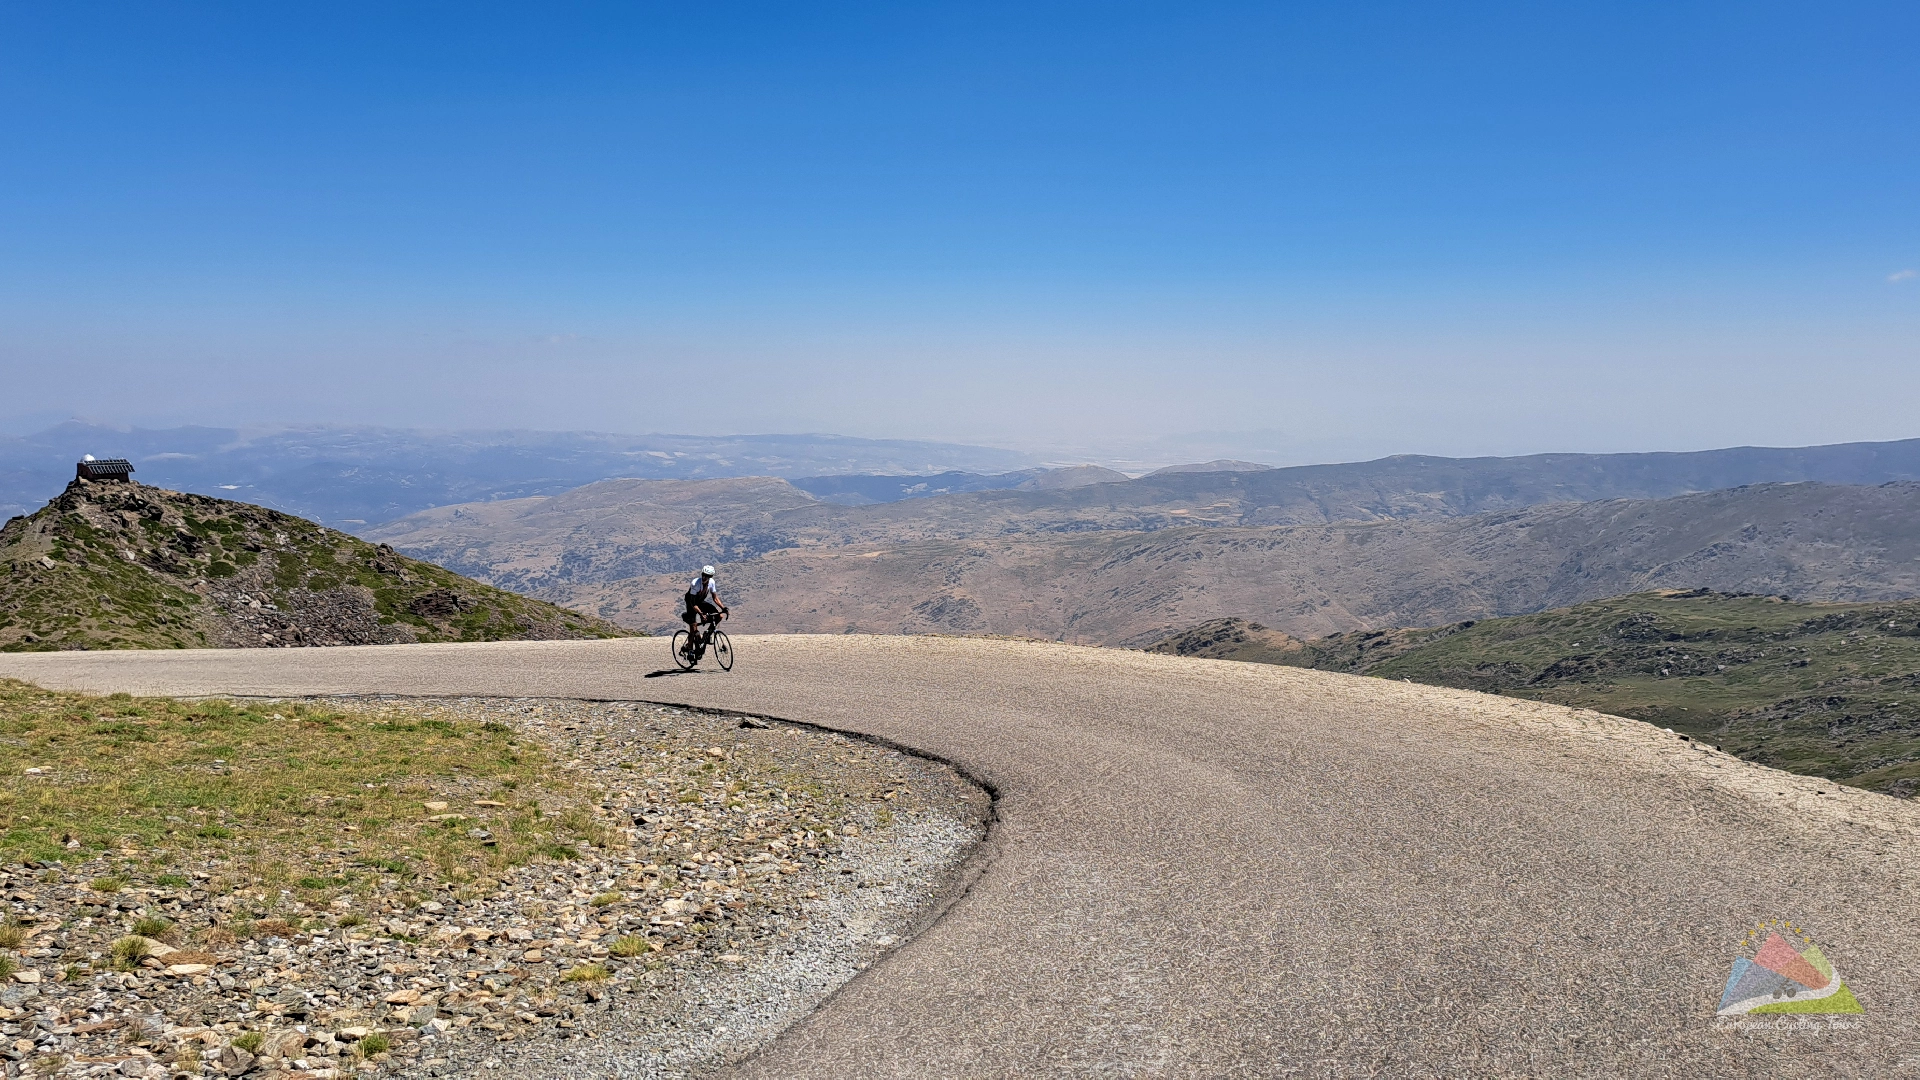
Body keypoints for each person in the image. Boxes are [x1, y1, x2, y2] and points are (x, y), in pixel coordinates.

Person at [683, 565, 727, 642]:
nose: (704, 577)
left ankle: (707, 635)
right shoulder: (695, 583)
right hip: (691, 603)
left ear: (710, 577)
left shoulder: (712, 582)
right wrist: (701, 614)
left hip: (700, 602)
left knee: (719, 616)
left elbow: (715, 598)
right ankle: (689, 648)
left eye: (707, 576)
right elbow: (693, 604)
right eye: (703, 575)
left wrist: (723, 608)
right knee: (693, 627)